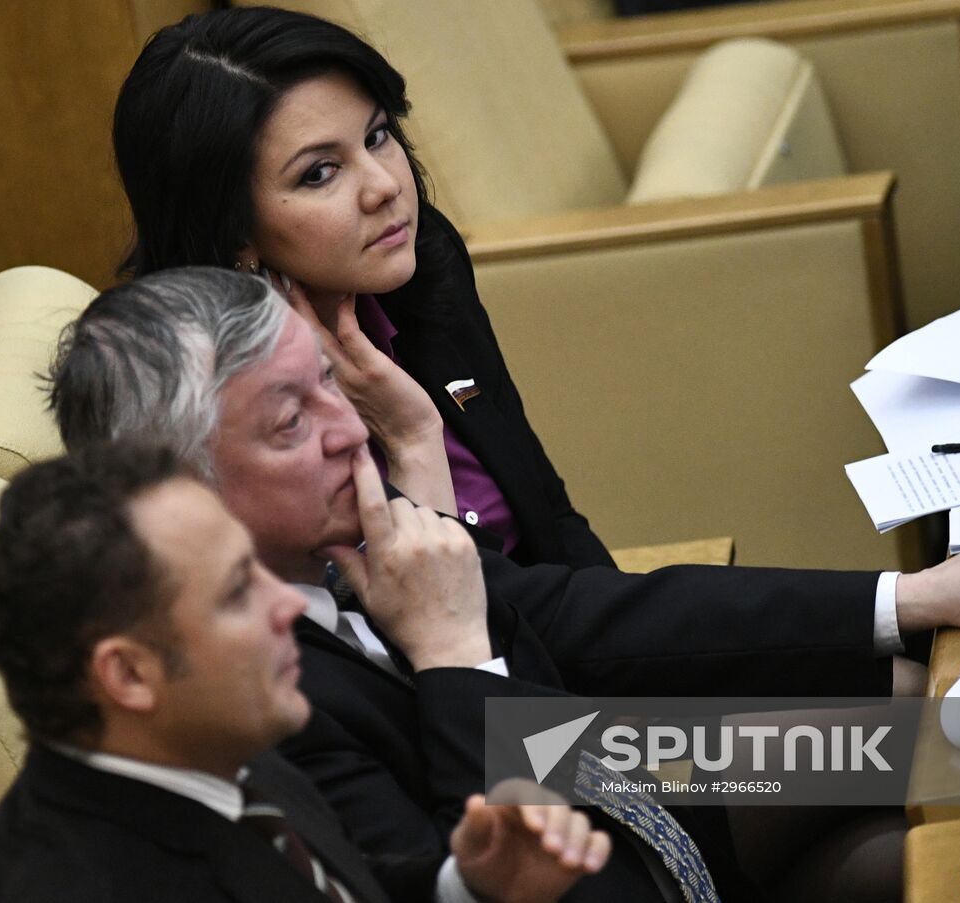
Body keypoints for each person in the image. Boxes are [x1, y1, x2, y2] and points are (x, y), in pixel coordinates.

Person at [49, 266, 960, 902]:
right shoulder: (249, 699)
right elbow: (494, 877)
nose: (344, 434)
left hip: (640, 771)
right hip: (609, 858)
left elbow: (586, 612)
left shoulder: (355, 549)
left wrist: (912, 599)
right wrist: (455, 658)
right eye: (290, 424)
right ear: (174, 492)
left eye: (330, 385)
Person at [0, 441, 612, 903]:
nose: (287, 605)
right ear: (129, 675)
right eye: (238, 591)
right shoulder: (93, 882)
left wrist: (464, 886)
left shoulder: (208, 752)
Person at [112, 5, 614, 568]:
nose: (383, 187)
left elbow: (550, 511)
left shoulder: (420, 264)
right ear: (231, 231)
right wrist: (411, 438)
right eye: (320, 173)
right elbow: (411, 631)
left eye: (376, 136)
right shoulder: (229, 407)